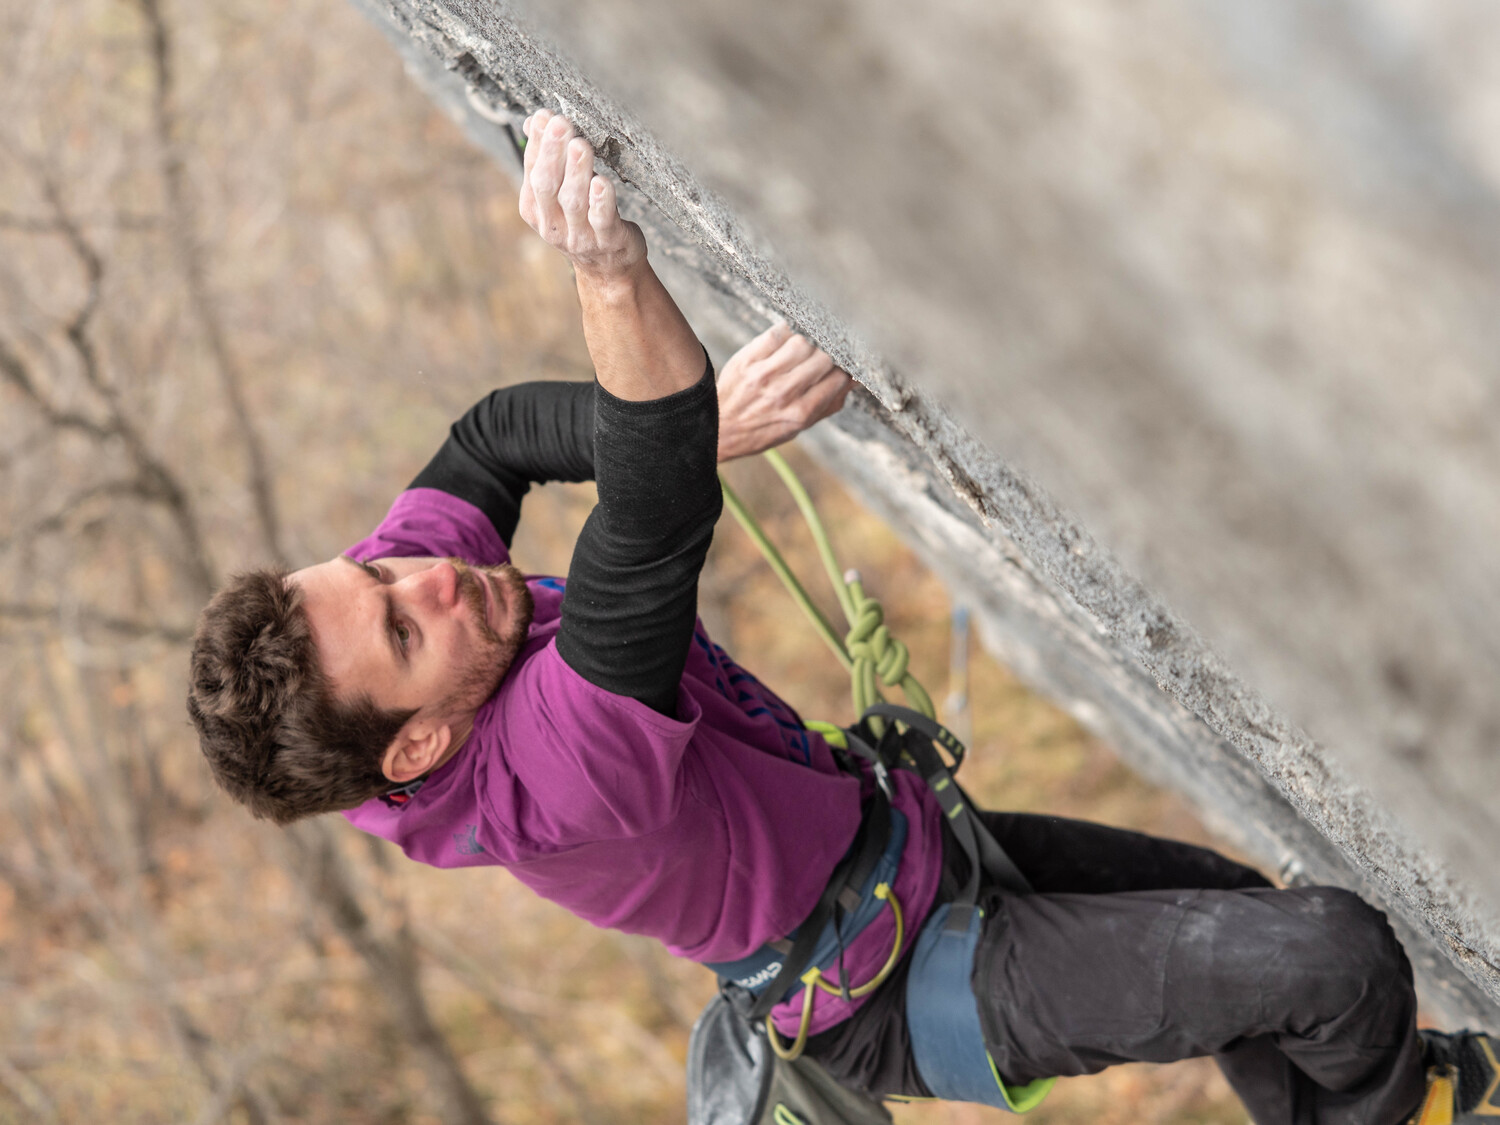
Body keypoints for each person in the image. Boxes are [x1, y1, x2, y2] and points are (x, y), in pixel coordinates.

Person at [186, 109, 1496, 1125]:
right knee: (1330, 954)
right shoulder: (552, 780)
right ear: (411, 747)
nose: (420, 577)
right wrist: (608, 272)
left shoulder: (395, 621)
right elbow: (645, 526)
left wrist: (692, 432)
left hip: (909, 846)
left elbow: (492, 440)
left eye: (372, 575)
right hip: (906, 976)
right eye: (400, 625)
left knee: (1240, 921)